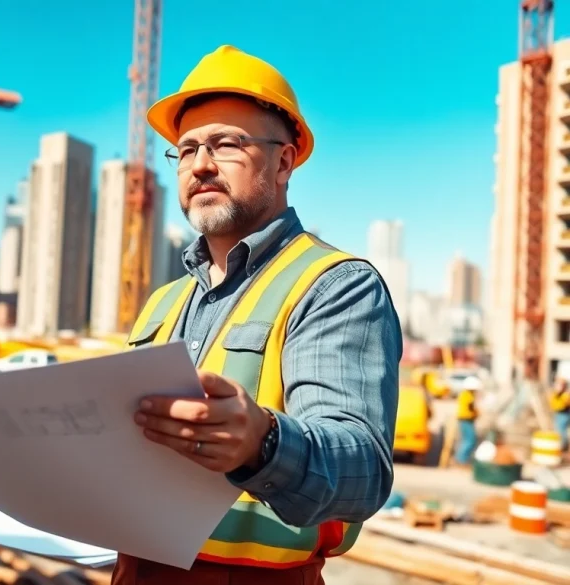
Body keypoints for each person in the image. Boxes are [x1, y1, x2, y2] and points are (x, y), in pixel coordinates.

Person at [117, 45, 402, 585]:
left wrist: (261, 442)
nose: (200, 164)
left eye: (226, 144)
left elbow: (363, 470)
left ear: (284, 161)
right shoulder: (163, 302)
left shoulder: (333, 285)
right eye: (187, 149)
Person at [454, 376, 482, 465]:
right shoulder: (468, 395)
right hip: (466, 419)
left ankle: (461, 459)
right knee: (470, 440)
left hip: (465, 419)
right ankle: (461, 460)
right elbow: (471, 407)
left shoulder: (465, 394)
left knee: (467, 440)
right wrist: (477, 413)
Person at [551, 377, 570, 453]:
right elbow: (553, 403)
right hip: (559, 414)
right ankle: (561, 447)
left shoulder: (565, 395)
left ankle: (563, 447)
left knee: (561, 431)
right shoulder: (557, 394)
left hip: (563, 414)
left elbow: (563, 405)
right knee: (559, 430)